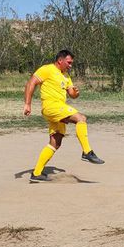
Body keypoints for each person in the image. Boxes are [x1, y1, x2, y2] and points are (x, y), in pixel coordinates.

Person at [23, 49, 104, 182]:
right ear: (60, 60)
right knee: (81, 118)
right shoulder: (47, 69)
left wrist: (76, 93)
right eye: (69, 62)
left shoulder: (66, 76)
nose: (70, 65)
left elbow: (72, 94)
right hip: (51, 106)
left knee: (56, 142)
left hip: (59, 109)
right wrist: (27, 104)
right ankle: (87, 152)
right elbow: (31, 83)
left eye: (72, 63)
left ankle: (36, 173)